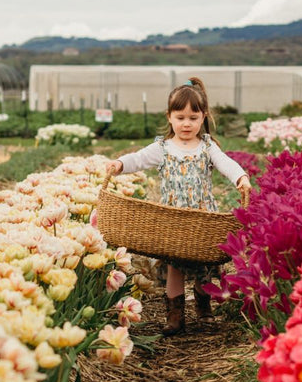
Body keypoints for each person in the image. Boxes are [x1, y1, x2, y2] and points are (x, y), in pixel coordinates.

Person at [105, 77, 251, 336]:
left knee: (203, 263)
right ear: (169, 117)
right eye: (180, 117)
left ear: (203, 117)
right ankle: (175, 316)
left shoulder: (207, 147)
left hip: (202, 217)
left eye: (193, 118)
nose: (187, 124)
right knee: (174, 265)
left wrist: (240, 177)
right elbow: (138, 159)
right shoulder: (162, 148)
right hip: (173, 219)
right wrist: (120, 164)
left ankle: (204, 310)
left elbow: (226, 163)